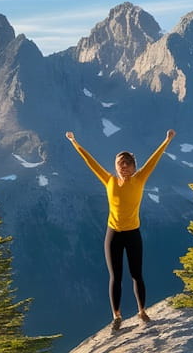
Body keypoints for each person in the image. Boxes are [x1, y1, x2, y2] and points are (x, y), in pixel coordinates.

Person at [65, 129, 176, 332]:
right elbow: (90, 162)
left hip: (133, 233)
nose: (123, 167)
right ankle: (116, 316)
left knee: (136, 275)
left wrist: (166, 140)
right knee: (115, 276)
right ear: (116, 167)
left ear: (134, 167)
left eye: (127, 164)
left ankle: (142, 311)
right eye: (120, 164)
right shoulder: (109, 180)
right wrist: (74, 142)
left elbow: (154, 159)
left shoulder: (140, 179)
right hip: (113, 234)